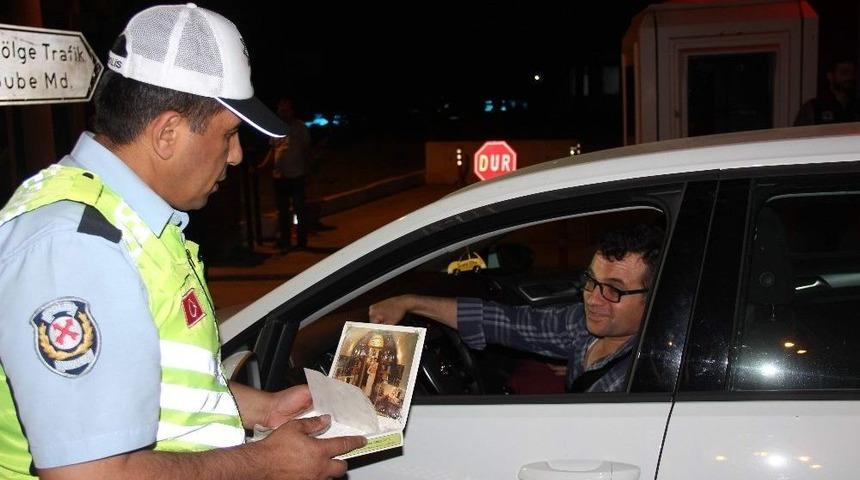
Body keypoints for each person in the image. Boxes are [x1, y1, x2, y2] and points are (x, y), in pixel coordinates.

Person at [0, 4, 364, 479]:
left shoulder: (134, 224)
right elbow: (89, 474)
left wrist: (263, 409)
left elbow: (146, 382)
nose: (235, 157)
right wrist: (265, 464)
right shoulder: (75, 246)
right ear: (168, 133)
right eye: (229, 135)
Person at [369, 224, 664, 393]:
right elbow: (507, 322)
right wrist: (410, 302)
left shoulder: (640, 374)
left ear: (654, 296)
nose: (593, 299)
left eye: (613, 289)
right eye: (591, 280)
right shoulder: (584, 328)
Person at [259, 98, 313, 252]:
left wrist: (308, 170)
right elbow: (273, 150)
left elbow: (307, 149)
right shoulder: (276, 128)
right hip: (280, 177)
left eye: (286, 110)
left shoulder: (299, 127)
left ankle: (302, 241)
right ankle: (285, 240)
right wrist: (262, 166)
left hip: (296, 175)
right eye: (281, 110)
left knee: (299, 209)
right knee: (282, 211)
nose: (283, 113)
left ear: (292, 111)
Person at [794, 58, 860, 126]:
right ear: (830, 76)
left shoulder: (857, 106)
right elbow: (799, 134)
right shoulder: (814, 107)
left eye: (853, 73)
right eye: (844, 73)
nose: (850, 77)